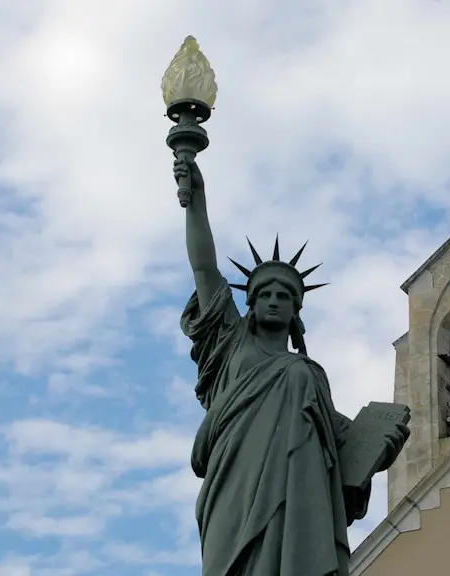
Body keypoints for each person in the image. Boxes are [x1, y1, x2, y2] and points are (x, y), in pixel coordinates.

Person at [173, 157, 409, 576]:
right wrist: (197, 201)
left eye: (285, 296)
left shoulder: (310, 375)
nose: (274, 300)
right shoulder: (230, 342)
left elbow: (341, 453)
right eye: (265, 294)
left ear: (296, 310)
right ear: (251, 302)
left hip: (298, 500)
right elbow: (204, 268)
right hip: (235, 485)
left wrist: (381, 448)